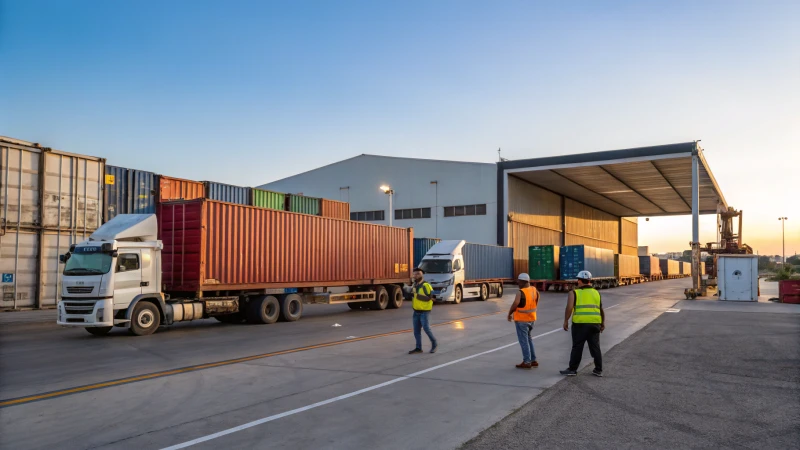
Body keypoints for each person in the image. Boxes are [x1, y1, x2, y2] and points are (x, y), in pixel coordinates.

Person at [560, 271, 604, 377]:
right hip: (595, 323)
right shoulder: (596, 293)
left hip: (580, 324)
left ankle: (572, 369)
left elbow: (569, 307)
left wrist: (566, 320)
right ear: (589, 281)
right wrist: (602, 323)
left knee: (577, 347)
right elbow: (601, 309)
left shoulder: (574, 293)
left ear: (579, 281)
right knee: (595, 347)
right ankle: (598, 370)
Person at [507, 273, 540, 369]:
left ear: (523, 282)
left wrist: (509, 313)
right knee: (529, 339)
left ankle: (527, 361)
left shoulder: (520, 292)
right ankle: (533, 360)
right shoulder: (534, 290)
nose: (518, 283)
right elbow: (537, 300)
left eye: (519, 281)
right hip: (532, 319)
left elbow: (515, 304)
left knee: (524, 341)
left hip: (522, 320)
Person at [408, 268, 438, 354]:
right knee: (416, 331)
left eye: (418, 274)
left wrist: (417, 296)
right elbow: (412, 296)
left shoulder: (426, 285)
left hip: (425, 311)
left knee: (426, 328)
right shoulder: (414, 285)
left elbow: (432, 298)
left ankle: (434, 343)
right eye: (414, 274)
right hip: (416, 311)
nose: (416, 275)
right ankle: (418, 348)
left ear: (422, 275)